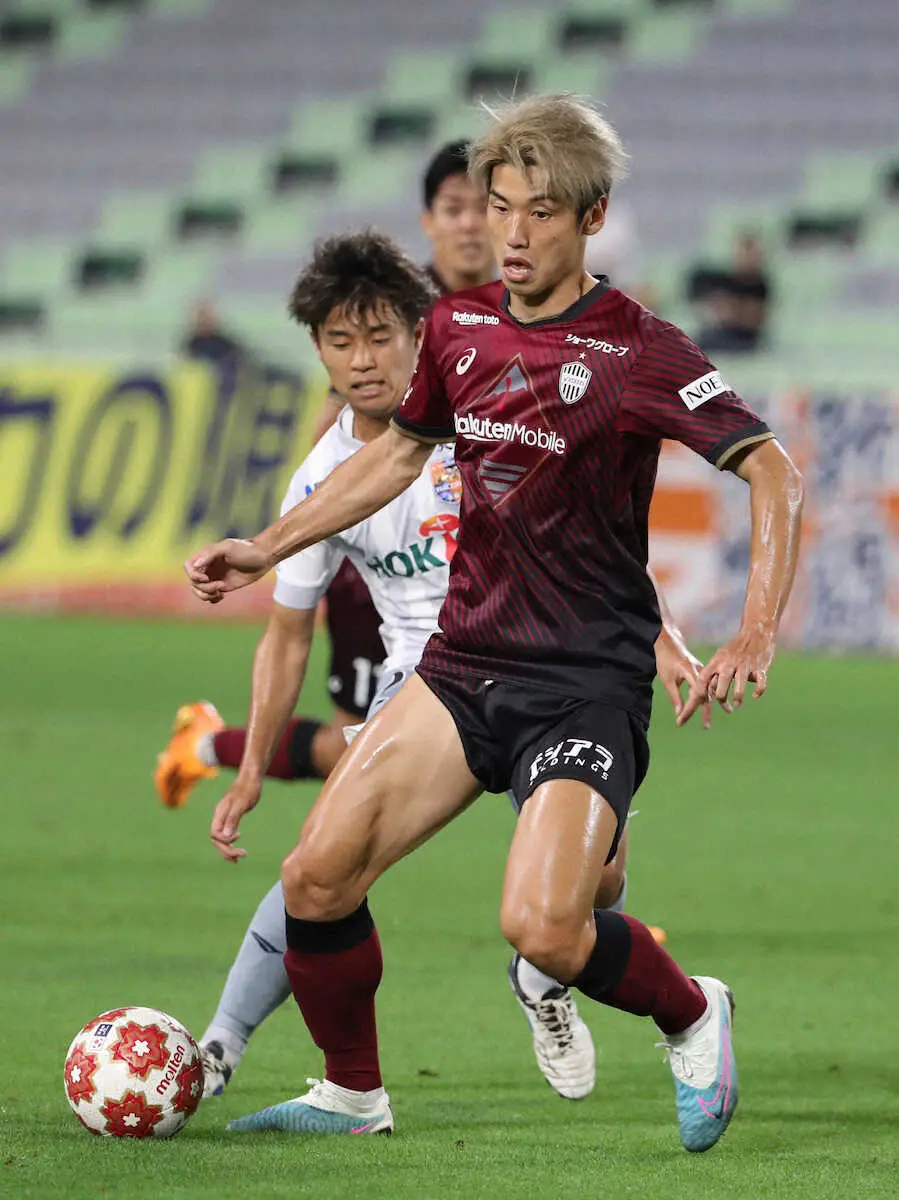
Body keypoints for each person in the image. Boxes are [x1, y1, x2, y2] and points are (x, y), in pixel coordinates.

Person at [186, 95, 805, 1152]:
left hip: (582, 683)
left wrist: (753, 630)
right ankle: (352, 1094)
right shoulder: (456, 328)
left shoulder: (639, 349)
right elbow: (396, 451)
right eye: (499, 207)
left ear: (592, 218)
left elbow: (772, 470)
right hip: (462, 666)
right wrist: (269, 544)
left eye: (539, 213)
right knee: (315, 877)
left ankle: (691, 1013)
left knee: (546, 928)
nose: (510, 234)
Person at [183, 230, 709, 1105]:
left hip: (552, 659)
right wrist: (249, 767)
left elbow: (588, 543)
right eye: (340, 342)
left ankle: (543, 974)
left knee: (600, 881)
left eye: (380, 337)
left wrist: (659, 636)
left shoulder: (491, 408)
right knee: (323, 864)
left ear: (419, 332)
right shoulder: (322, 479)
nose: (362, 361)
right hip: (430, 679)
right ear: (316, 349)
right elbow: (287, 633)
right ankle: (232, 1046)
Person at [156, 141, 498, 807]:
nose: (467, 224)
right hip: (386, 560)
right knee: (363, 750)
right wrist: (337, 521)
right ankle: (214, 748)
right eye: (452, 208)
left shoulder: (520, 309)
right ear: (428, 221)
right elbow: (342, 434)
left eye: (481, 208)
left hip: (486, 592)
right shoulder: (393, 305)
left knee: (382, 751)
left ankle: (212, 746)